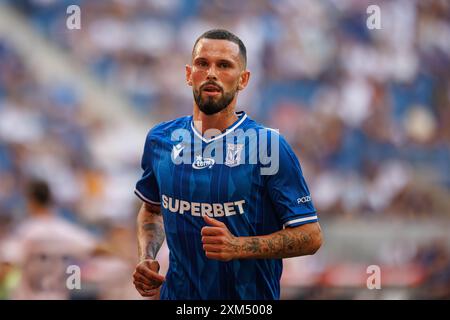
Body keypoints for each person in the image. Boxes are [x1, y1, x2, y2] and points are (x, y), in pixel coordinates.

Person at [133, 29, 323, 300]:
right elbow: (151, 210)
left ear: (243, 79)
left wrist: (239, 246)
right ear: (189, 74)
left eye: (224, 65)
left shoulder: (267, 145)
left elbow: (311, 236)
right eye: (202, 63)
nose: (211, 73)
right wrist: (146, 257)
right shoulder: (160, 140)